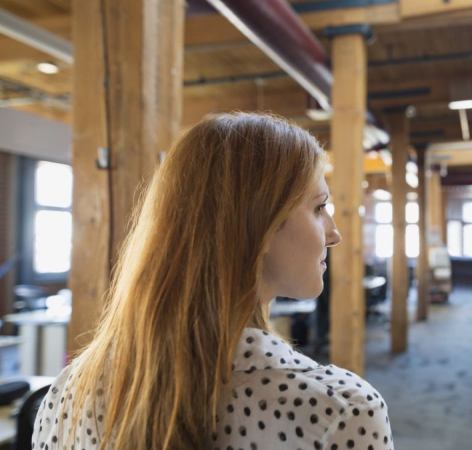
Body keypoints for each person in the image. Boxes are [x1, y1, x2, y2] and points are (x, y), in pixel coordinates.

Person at [32, 113, 394, 450]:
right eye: (319, 208)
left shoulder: (69, 391)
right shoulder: (340, 413)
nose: (334, 234)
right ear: (262, 224)